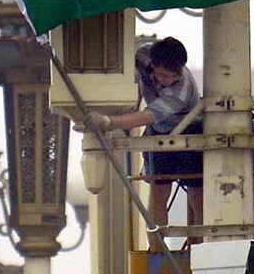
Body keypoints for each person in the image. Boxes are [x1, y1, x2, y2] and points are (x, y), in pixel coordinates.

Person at [84, 37, 203, 242]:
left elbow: (142, 118)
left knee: (197, 193)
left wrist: (108, 121)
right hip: (158, 132)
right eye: (165, 75)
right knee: (158, 192)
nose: (171, 80)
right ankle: (157, 250)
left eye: (175, 75)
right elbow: (133, 82)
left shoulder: (181, 91)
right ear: (154, 65)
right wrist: (127, 104)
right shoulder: (141, 56)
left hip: (189, 132)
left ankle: (200, 246)